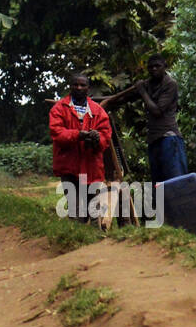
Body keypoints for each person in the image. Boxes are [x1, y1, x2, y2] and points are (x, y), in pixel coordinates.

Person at [109, 55, 188, 184]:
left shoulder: (170, 84)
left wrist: (142, 91)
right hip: (154, 139)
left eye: (157, 66)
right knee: (159, 184)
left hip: (169, 138)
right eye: (151, 67)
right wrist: (105, 102)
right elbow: (124, 98)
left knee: (175, 182)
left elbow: (157, 111)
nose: (154, 69)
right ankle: (163, 205)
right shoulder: (148, 84)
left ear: (165, 67)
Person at [49, 72, 112, 221]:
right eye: (75, 84)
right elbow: (57, 133)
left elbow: (105, 136)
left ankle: (98, 240)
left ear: (88, 88)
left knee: (94, 210)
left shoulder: (98, 111)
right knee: (76, 211)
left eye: (82, 85)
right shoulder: (59, 108)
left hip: (91, 167)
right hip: (69, 168)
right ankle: (77, 240)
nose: (79, 87)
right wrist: (78, 135)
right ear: (70, 87)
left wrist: (97, 139)